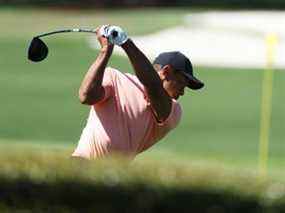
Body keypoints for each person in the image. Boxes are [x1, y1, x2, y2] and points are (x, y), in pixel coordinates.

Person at [72, 25, 204, 160]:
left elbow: (153, 86)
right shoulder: (114, 78)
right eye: (182, 83)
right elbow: (86, 97)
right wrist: (105, 51)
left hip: (113, 175)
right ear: (166, 72)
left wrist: (125, 43)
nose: (182, 92)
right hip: (80, 163)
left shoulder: (174, 110)